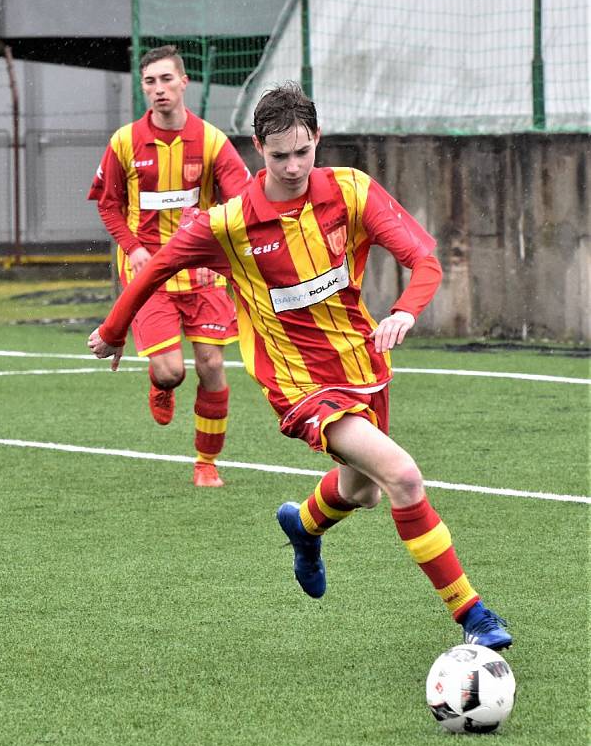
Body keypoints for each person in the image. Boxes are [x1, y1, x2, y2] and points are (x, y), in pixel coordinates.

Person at [88, 82, 512, 650]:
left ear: (317, 140)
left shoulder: (351, 191)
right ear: (257, 148)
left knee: (362, 492)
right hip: (298, 384)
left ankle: (305, 527)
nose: (292, 166)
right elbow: (153, 269)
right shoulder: (228, 223)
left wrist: (406, 311)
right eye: (278, 154)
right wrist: (115, 331)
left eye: (303, 151)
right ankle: (474, 616)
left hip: (364, 365)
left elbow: (424, 259)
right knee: (404, 477)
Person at [88, 45, 251, 487]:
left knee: (212, 365)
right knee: (172, 371)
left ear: (184, 83)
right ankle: (160, 384)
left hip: (202, 271)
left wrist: (221, 225)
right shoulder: (124, 142)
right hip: (149, 272)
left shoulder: (212, 141)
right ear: (143, 88)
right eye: (149, 82)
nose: (158, 89)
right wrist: (132, 246)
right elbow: (108, 205)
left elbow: (243, 198)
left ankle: (206, 463)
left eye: (165, 79)